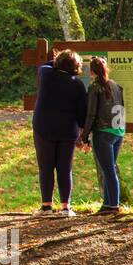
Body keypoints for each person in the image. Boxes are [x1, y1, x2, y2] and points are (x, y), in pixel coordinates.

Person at [31, 49, 88, 216]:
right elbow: (81, 113)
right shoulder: (77, 84)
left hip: (44, 128)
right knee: (65, 169)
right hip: (67, 130)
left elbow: (45, 65)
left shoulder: (46, 74)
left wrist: (57, 61)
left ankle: (47, 206)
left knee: (46, 168)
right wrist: (83, 133)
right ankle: (65, 207)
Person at [83, 56, 126, 214]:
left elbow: (91, 114)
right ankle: (108, 204)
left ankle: (113, 205)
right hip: (118, 132)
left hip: (103, 133)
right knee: (110, 168)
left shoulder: (95, 87)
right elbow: (121, 108)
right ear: (106, 69)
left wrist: (84, 135)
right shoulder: (116, 85)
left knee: (108, 170)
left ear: (92, 71)